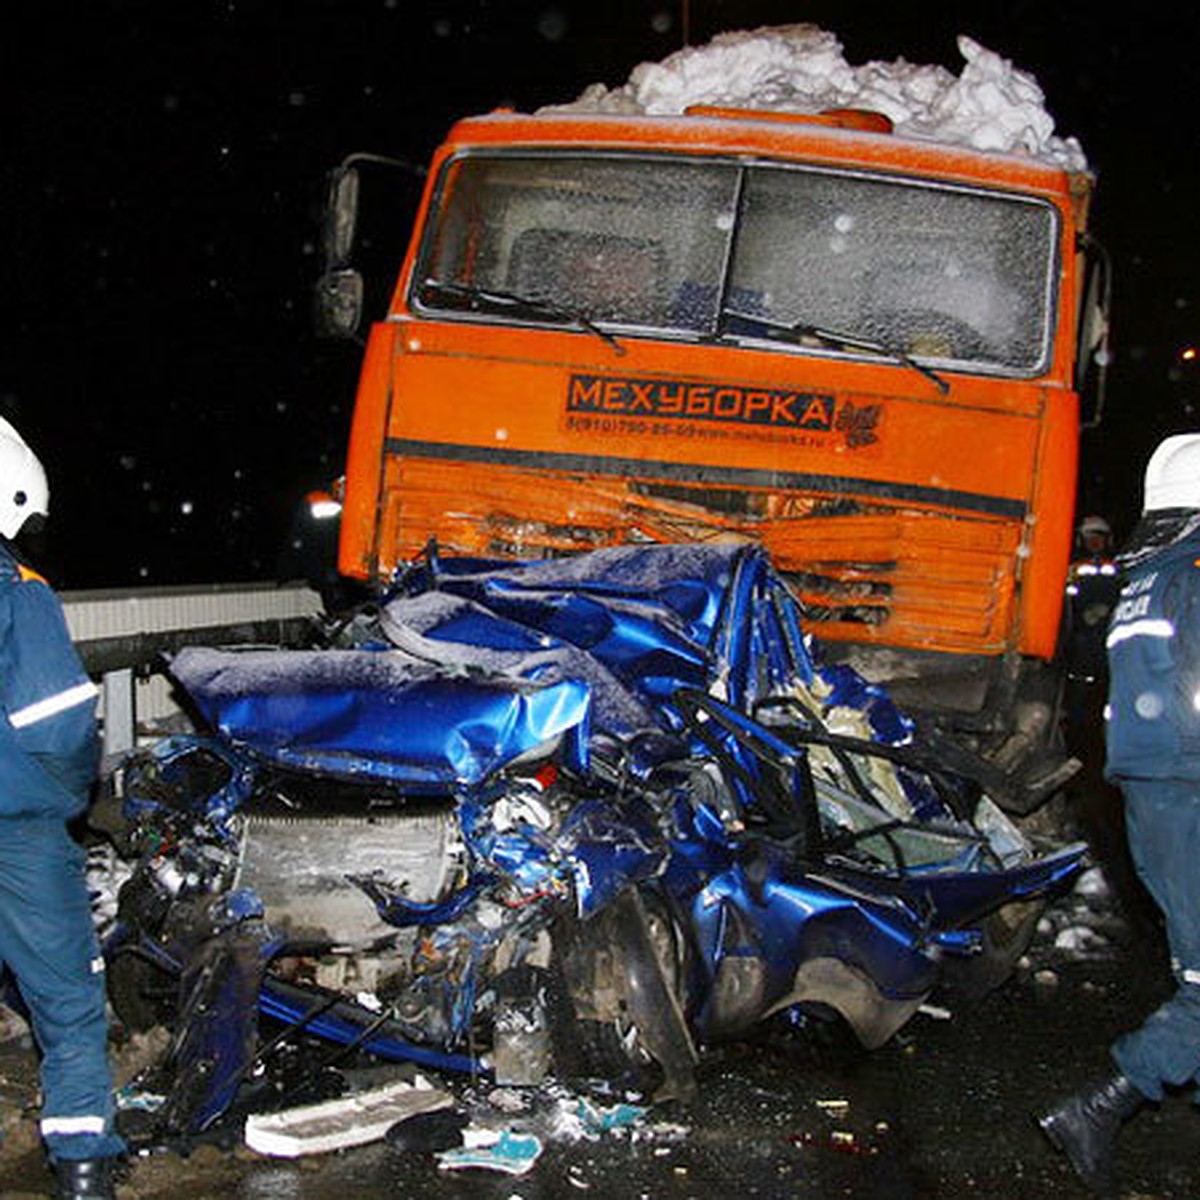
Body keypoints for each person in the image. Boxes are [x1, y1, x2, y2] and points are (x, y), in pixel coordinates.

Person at [1039, 434, 1200, 1193]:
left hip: (1151, 787)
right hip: (1191, 785)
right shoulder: (1194, 577)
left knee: (1192, 962)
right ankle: (1102, 1105)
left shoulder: (1148, 574)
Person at [0, 418, 124, 1197]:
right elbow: (59, 723)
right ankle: (83, 1166)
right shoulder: (18, 592)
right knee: (68, 999)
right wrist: (73, 789)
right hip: (16, 831)